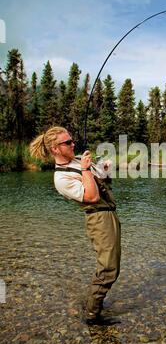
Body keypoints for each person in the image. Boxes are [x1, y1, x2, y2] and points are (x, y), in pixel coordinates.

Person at [29, 126, 121, 325]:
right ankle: (92, 315)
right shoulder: (61, 179)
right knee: (108, 268)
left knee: (111, 265)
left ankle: (94, 304)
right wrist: (86, 169)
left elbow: (104, 181)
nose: (73, 144)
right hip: (98, 219)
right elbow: (92, 196)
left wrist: (104, 168)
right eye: (67, 142)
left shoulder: (78, 159)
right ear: (55, 149)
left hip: (109, 215)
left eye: (72, 140)